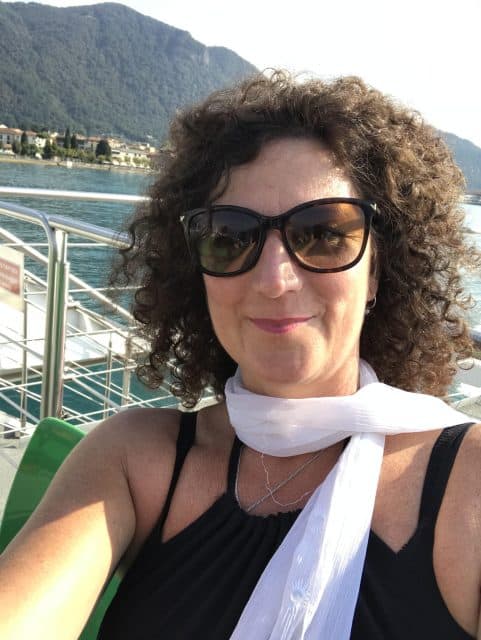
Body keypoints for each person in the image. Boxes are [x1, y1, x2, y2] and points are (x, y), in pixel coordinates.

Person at [1, 71, 480, 640]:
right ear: (197, 273)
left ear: (377, 269)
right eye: (229, 237)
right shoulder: (133, 459)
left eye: (324, 233)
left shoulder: (469, 480)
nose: (275, 280)